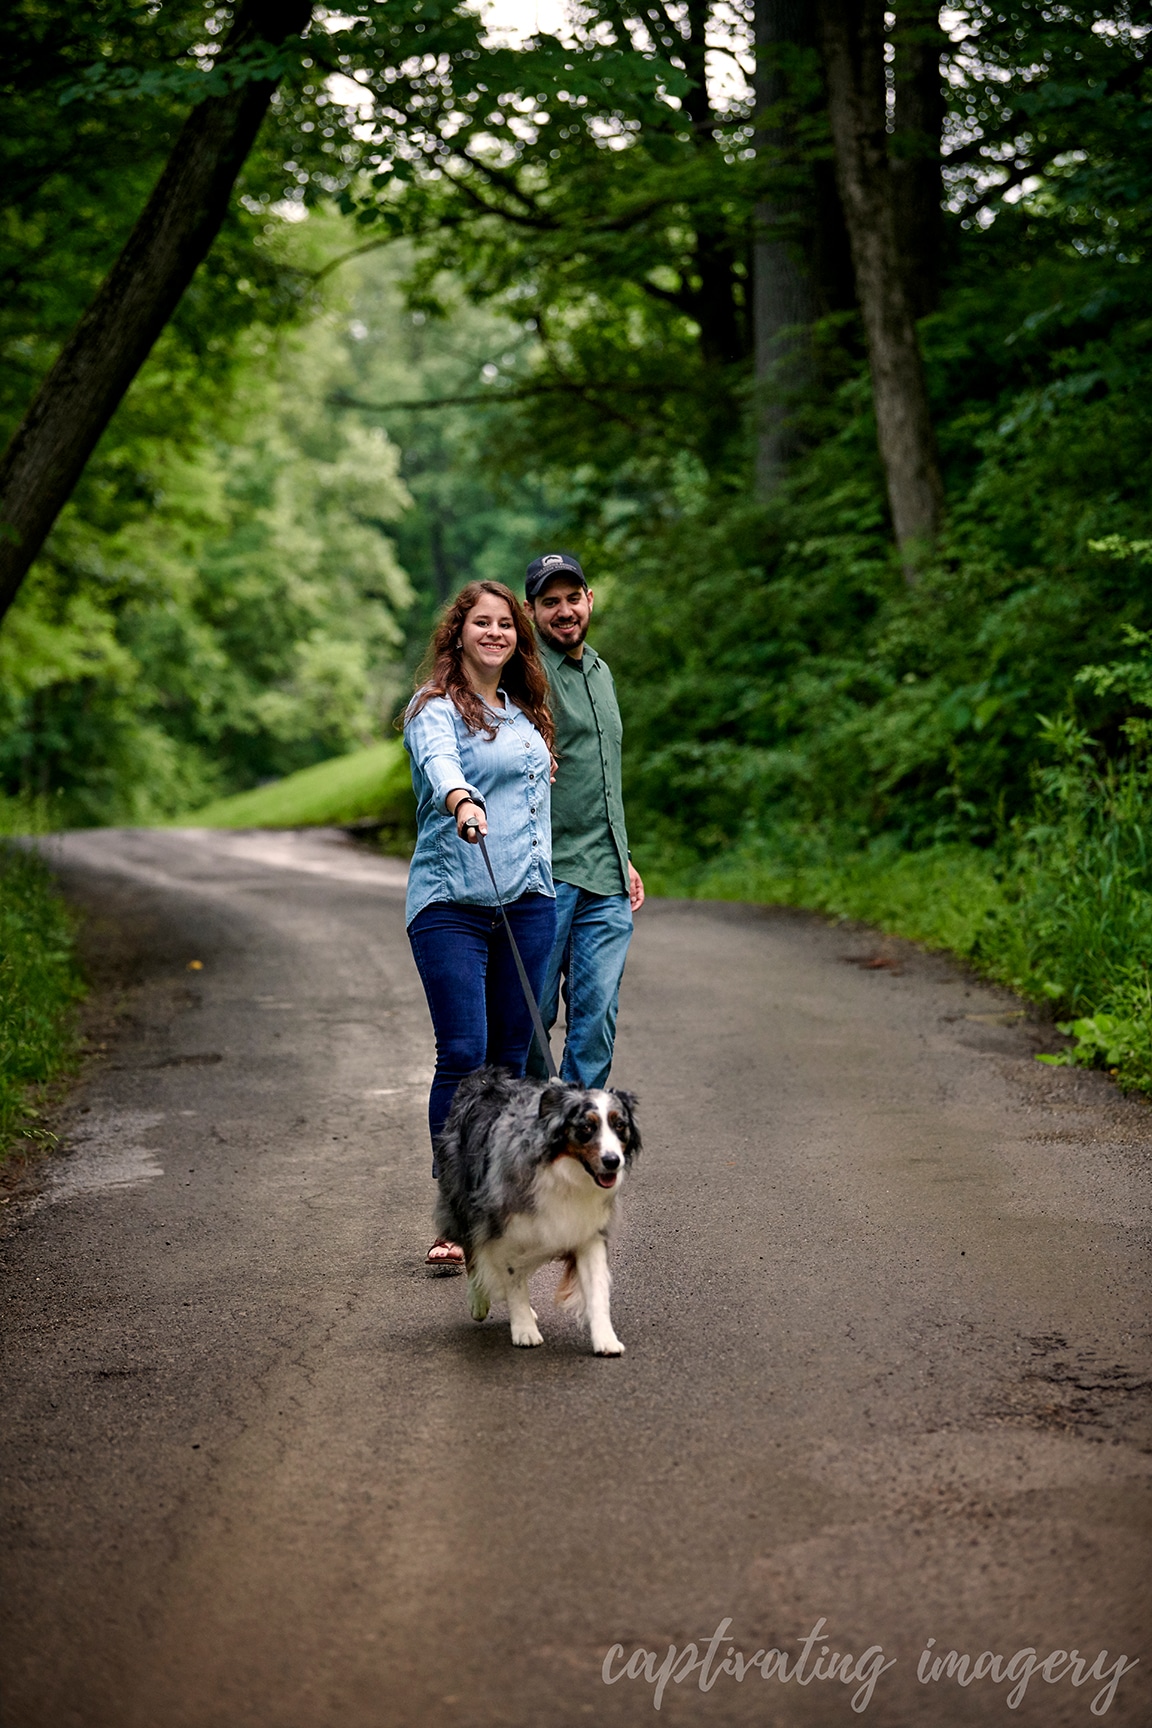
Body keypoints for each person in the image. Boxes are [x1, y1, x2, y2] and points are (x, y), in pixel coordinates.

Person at [403, 580, 557, 1268]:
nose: (495, 632)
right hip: (451, 904)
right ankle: (456, 1216)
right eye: (482, 622)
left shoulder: (524, 717)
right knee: (464, 1056)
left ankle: (508, 1209)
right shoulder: (435, 709)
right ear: (458, 633)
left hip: (526, 899)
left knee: (511, 1062)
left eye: (506, 624)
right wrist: (461, 798)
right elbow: (441, 763)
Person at [524, 551, 644, 1090]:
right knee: (531, 1017)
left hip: (606, 878)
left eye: (573, 598)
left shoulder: (601, 672)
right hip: (544, 876)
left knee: (595, 1021)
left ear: (590, 600)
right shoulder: (524, 676)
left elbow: (602, 775)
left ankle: (577, 1139)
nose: (565, 611)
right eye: (551, 602)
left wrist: (624, 857)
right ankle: (527, 1131)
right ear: (531, 612)